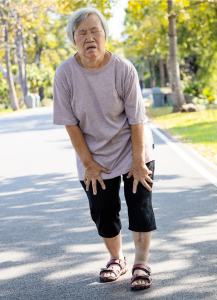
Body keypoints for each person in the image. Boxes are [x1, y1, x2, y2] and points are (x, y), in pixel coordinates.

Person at [53, 7, 156, 290]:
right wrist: (88, 163)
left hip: (132, 146)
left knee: (140, 206)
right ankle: (117, 259)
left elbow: (137, 120)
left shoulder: (123, 68)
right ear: (73, 39)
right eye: (82, 33)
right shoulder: (65, 73)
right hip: (93, 155)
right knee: (102, 208)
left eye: (94, 31)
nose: (89, 38)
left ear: (105, 36)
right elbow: (70, 123)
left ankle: (141, 264)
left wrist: (138, 162)